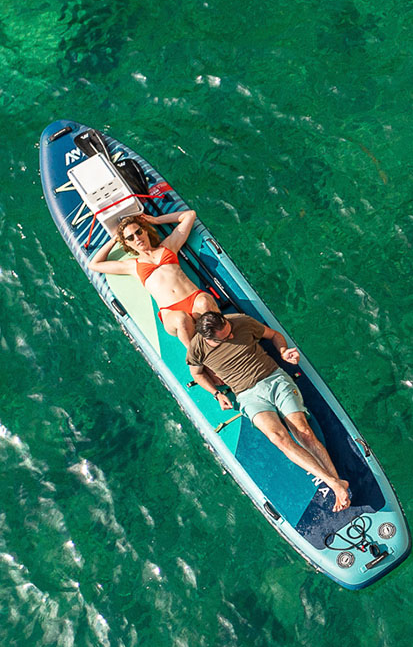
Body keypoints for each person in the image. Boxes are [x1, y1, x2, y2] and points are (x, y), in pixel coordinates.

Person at [187, 311, 351, 509]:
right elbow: (197, 374)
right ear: (209, 339)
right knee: (278, 438)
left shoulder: (239, 321)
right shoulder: (197, 348)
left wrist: (283, 351)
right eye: (226, 337)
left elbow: (273, 335)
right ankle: (335, 484)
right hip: (247, 395)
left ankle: (337, 485)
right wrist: (216, 394)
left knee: (304, 432)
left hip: (274, 379)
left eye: (230, 331)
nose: (232, 335)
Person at [86, 210, 219, 346]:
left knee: (204, 302)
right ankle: (198, 356)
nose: (137, 238)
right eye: (130, 238)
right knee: (181, 320)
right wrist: (115, 239)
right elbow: (94, 265)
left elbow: (190, 215)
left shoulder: (168, 246)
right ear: (126, 243)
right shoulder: (132, 265)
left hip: (194, 299)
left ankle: (221, 340)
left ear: (145, 231)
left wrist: (156, 220)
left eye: (138, 232)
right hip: (172, 311)